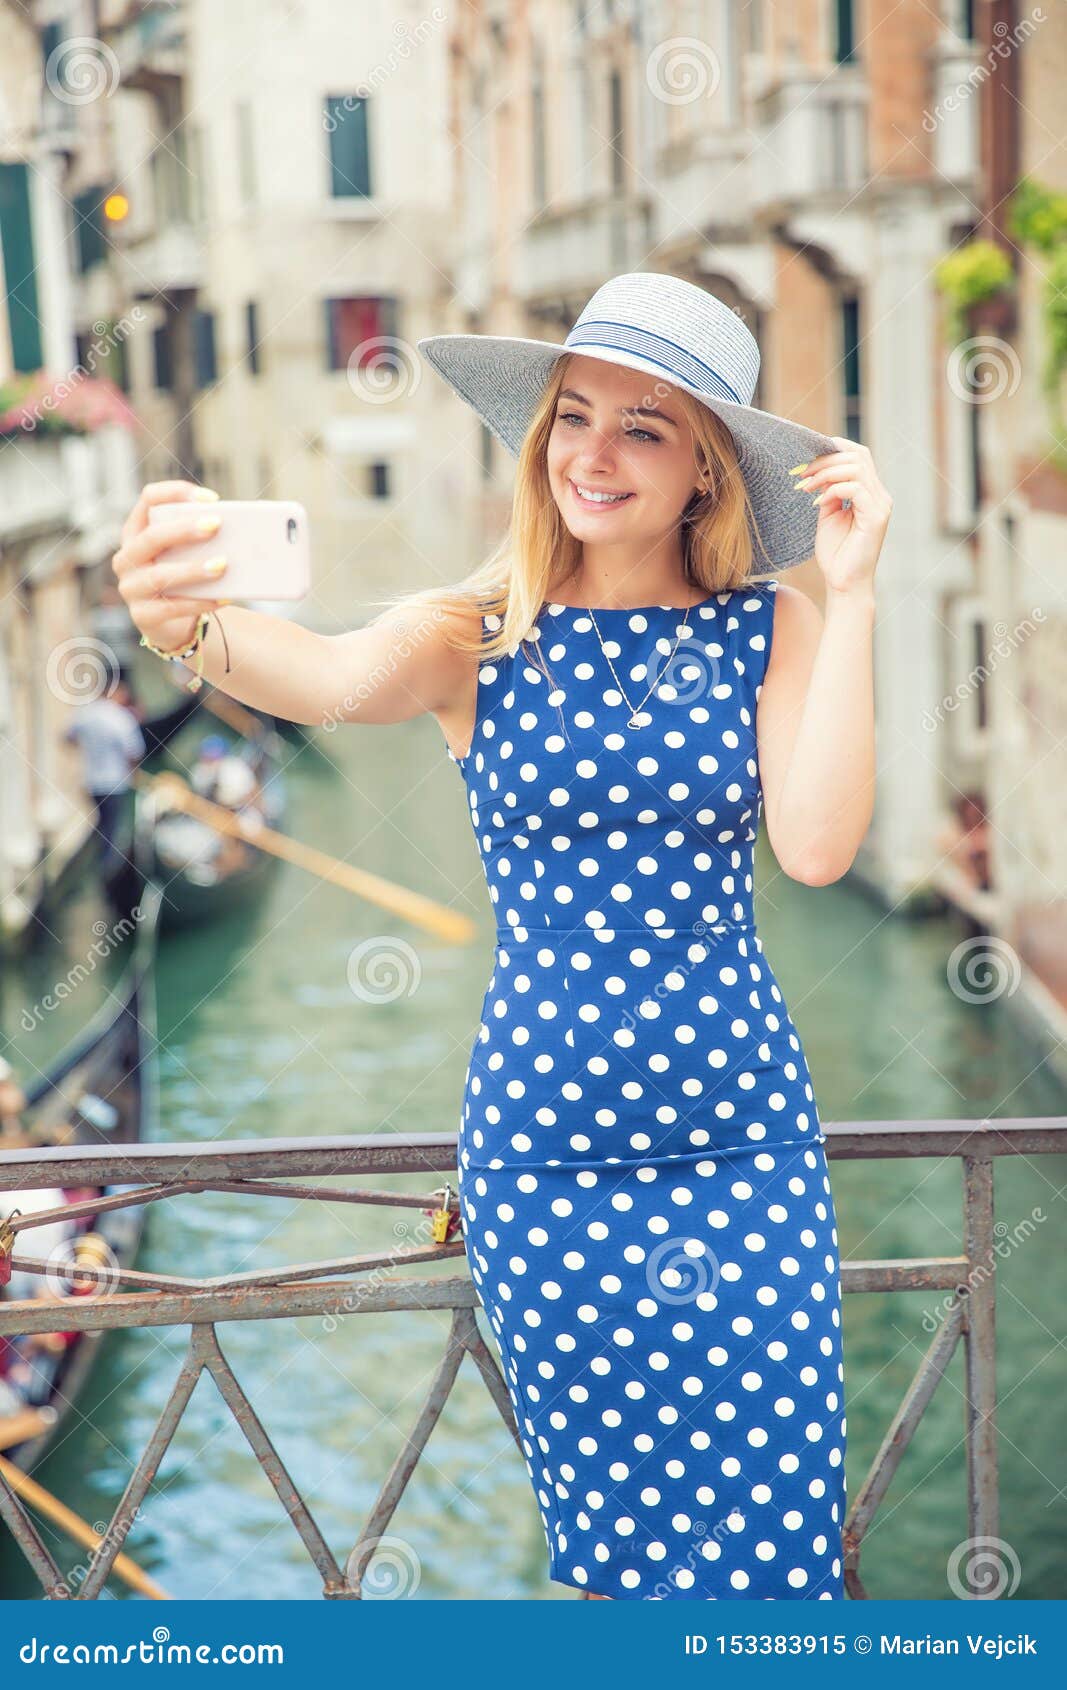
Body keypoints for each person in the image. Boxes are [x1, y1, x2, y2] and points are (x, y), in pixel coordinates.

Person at [110, 271, 891, 1601]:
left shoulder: (776, 625)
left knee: (776, 1551)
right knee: (619, 1560)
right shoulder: (475, 636)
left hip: (740, 1149)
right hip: (549, 1162)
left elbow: (814, 845)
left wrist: (858, 591)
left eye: (642, 428)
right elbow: (306, 673)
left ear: (704, 467)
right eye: (571, 414)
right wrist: (170, 614)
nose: (592, 453)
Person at [63, 674, 146, 878]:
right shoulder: (120, 717)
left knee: (103, 825)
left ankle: (101, 869)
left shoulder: (85, 714)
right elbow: (134, 751)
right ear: (114, 693)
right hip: (115, 783)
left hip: (92, 782)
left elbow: (68, 738)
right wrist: (134, 774)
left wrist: (90, 748)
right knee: (112, 828)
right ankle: (107, 873)